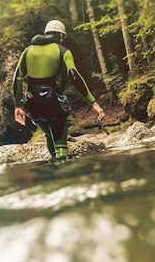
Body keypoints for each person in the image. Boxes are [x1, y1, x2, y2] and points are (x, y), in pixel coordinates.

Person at [14, 20, 105, 160]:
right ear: (61, 36)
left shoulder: (27, 51)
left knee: (49, 133)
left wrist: (17, 106)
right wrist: (93, 103)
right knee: (60, 142)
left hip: (32, 104)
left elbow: (17, 79)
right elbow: (74, 76)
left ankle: (53, 169)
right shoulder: (63, 51)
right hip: (52, 102)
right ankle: (63, 167)